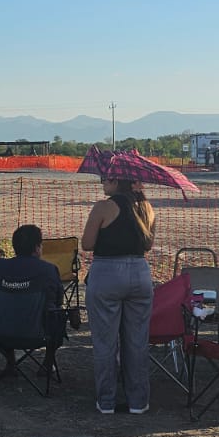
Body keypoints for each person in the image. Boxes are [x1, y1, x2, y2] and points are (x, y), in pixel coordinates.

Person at [81, 175, 156, 415]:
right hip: (140, 273)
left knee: (105, 342)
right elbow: (147, 246)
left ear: (118, 182)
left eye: (108, 178)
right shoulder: (147, 208)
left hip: (107, 273)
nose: (103, 181)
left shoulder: (103, 207)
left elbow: (87, 244)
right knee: (137, 341)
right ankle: (138, 401)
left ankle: (106, 401)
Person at [0, 224, 66, 374]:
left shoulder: (1, 267)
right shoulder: (48, 269)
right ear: (37, 248)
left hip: (3, 330)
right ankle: (47, 364)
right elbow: (58, 301)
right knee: (58, 316)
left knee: (8, 310)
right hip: (38, 331)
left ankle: (11, 363)